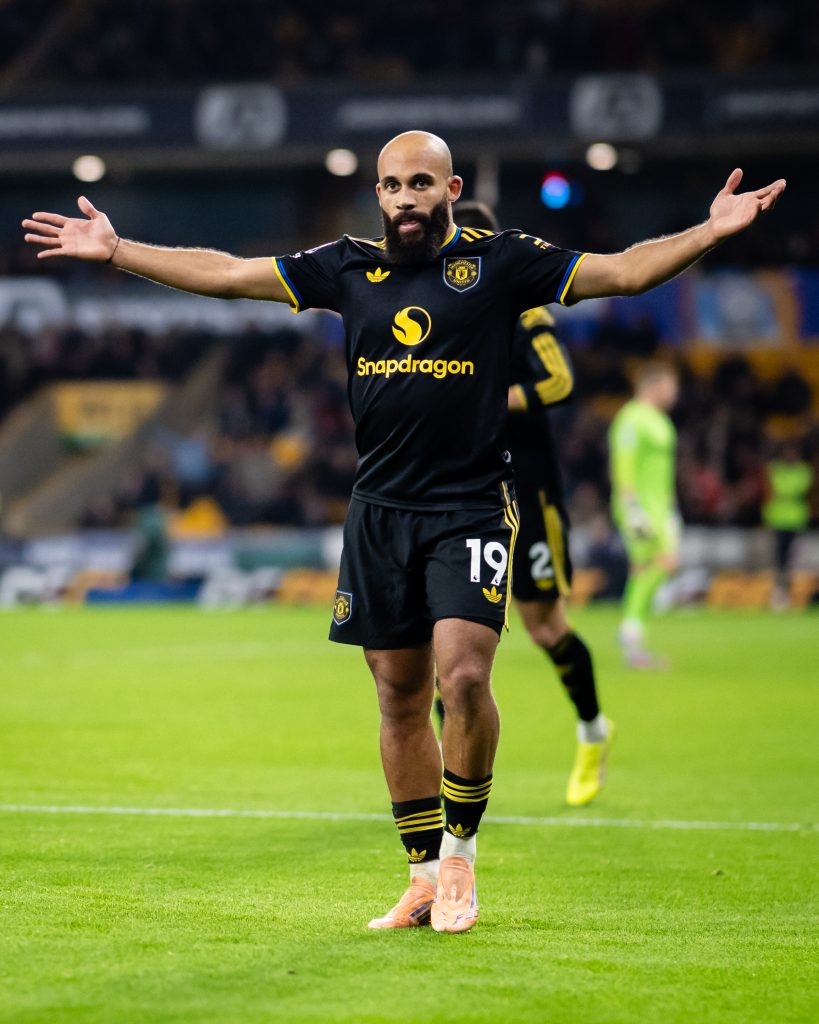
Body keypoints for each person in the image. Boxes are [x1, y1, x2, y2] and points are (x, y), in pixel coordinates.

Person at [23, 133, 785, 933]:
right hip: (378, 510)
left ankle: (461, 860)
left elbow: (623, 271)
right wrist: (117, 251)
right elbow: (229, 275)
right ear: (377, 194)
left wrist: (707, 232)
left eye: (419, 183)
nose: (403, 199)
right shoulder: (346, 266)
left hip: (470, 506)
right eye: (389, 186)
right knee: (397, 695)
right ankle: (421, 875)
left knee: (462, 677)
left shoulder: (502, 262)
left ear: (450, 186)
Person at [435, 200, 612, 807]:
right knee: (448, 647)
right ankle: (454, 781)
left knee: (544, 625)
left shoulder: (520, 303)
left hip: (528, 487)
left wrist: (484, 398)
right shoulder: (434, 307)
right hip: (461, 490)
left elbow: (558, 381)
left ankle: (592, 729)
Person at [609, 362, 680, 668]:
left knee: (644, 568)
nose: (675, 393)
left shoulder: (658, 420)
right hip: (639, 507)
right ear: (655, 385)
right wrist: (630, 504)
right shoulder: (631, 418)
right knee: (662, 563)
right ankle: (631, 632)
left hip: (660, 506)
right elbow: (623, 461)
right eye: (671, 386)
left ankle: (633, 640)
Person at [763, 440, 813, 609]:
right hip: (778, 519)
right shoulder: (775, 470)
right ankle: (779, 594)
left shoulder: (803, 471)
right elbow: (768, 493)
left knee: (793, 559)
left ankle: (794, 593)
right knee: (778, 559)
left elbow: (809, 495)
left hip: (797, 520)